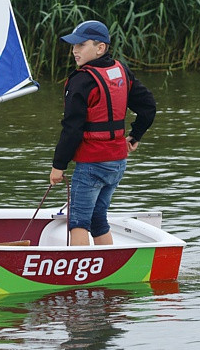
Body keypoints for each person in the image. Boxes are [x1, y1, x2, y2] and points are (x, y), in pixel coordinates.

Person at [50, 20, 156, 246]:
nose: (74, 50)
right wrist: (135, 136)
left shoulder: (81, 80)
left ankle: (81, 279)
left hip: (92, 164)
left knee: (78, 223)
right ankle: (106, 270)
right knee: (98, 219)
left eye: (81, 45)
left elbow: (72, 129)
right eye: (73, 46)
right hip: (117, 162)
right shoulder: (120, 71)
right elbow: (148, 107)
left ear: (100, 48)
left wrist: (58, 166)